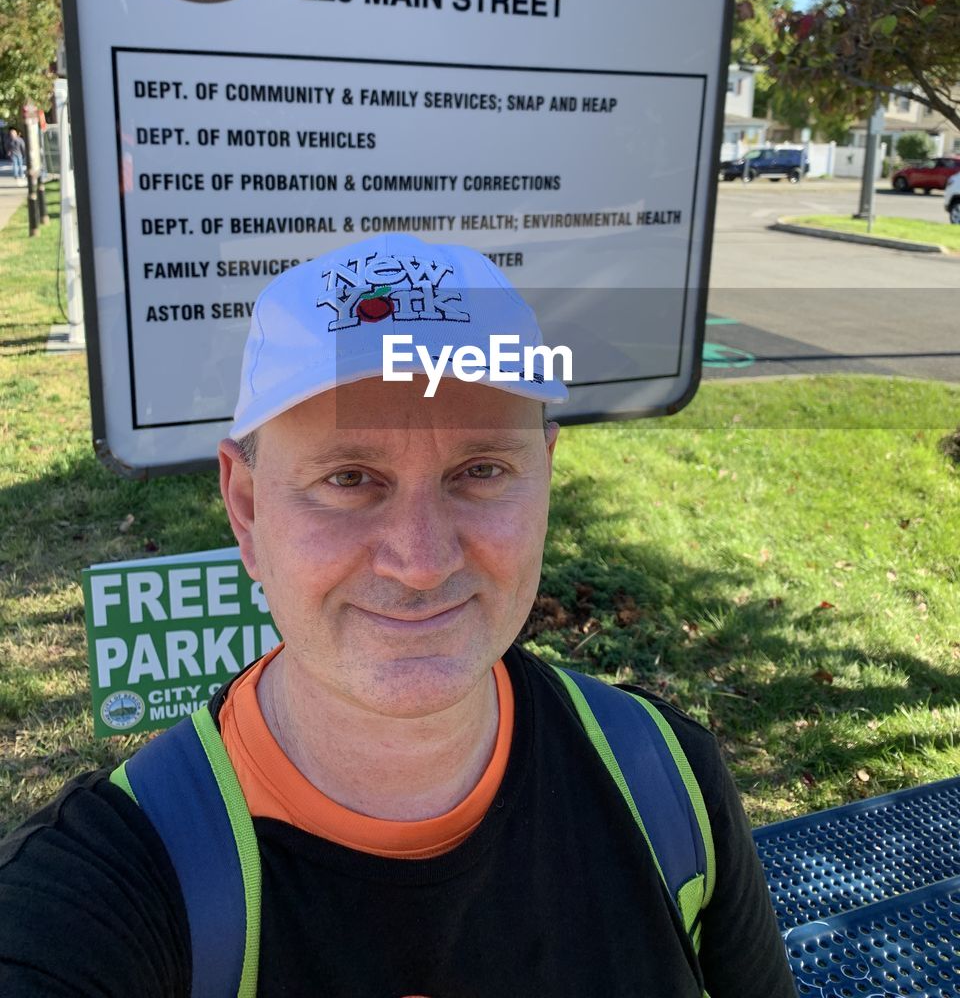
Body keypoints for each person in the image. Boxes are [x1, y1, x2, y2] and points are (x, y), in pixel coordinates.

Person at [0, 235, 795, 997]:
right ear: (246, 510)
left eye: (480, 470)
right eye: (350, 478)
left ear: (544, 481)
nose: (422, 561)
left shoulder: (669, 780)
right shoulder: (104, 889)